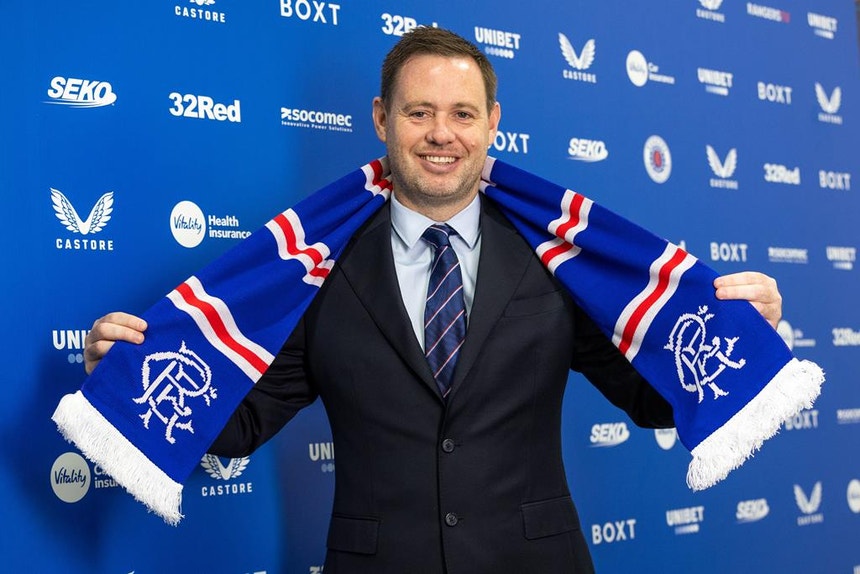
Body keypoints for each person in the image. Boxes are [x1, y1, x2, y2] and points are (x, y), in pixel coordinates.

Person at [84, 27, 782, 574]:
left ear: (492, 123)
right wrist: (129, 374)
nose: (441, 134)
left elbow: (652, 395)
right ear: (382, 119)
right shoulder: (317, 268)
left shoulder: (557, 257)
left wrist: (745, 334)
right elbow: (240, 423)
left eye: (461, 114)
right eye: (419, 112)